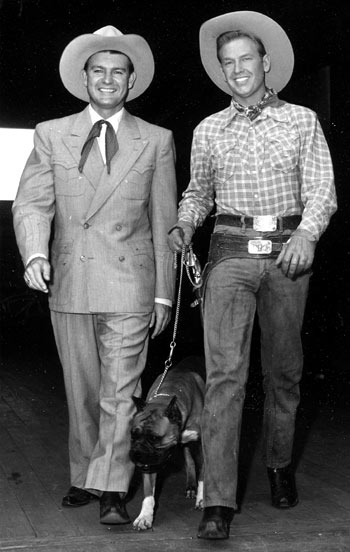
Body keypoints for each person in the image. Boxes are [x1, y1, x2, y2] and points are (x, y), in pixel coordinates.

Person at [168, 11, 337, 540]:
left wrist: (307, 236)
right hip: (229, 252)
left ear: (265, 63)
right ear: (221, 73)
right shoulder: (208, 129)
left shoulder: (303, 120)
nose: (238, 69)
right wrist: (183, 223)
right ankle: (217, 500)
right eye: (228, 64)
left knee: (284, 370)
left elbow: (322, 190)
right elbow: (199, 192)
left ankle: (279, 464)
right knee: (225, 376)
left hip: (289, 251)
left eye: (246, 59)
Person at [13, 25, 177, 525]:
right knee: (81, 389)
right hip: (68, 280)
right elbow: (32, 202)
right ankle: (86, 474)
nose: (108, 80)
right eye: (98, 71)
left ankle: (111, 486)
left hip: (131, 284)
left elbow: (165, 220)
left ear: (131, 82)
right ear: (84, 79)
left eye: (118, 73)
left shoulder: (157, 140)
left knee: (119, 391)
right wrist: (34, 254)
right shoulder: (50, 133)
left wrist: (164, 296)